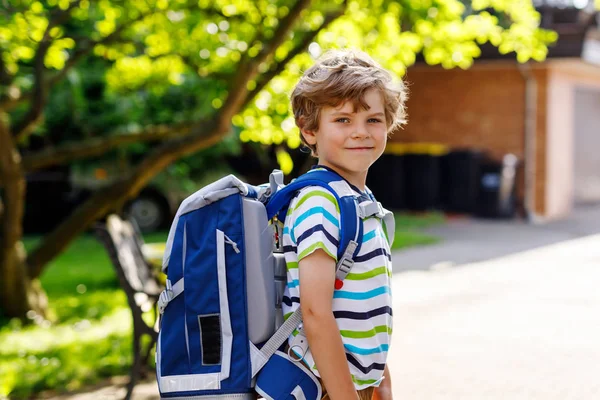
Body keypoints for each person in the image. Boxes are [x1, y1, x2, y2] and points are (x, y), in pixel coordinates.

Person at [281, 49, 408, 400]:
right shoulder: (320, 201)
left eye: (373, 120)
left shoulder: (361, 200)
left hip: (355, 387)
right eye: (342, 120)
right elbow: (315, 311)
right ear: (309, 131)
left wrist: (380, 377)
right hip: (325, 389)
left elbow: (365, 307)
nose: (360, 132)